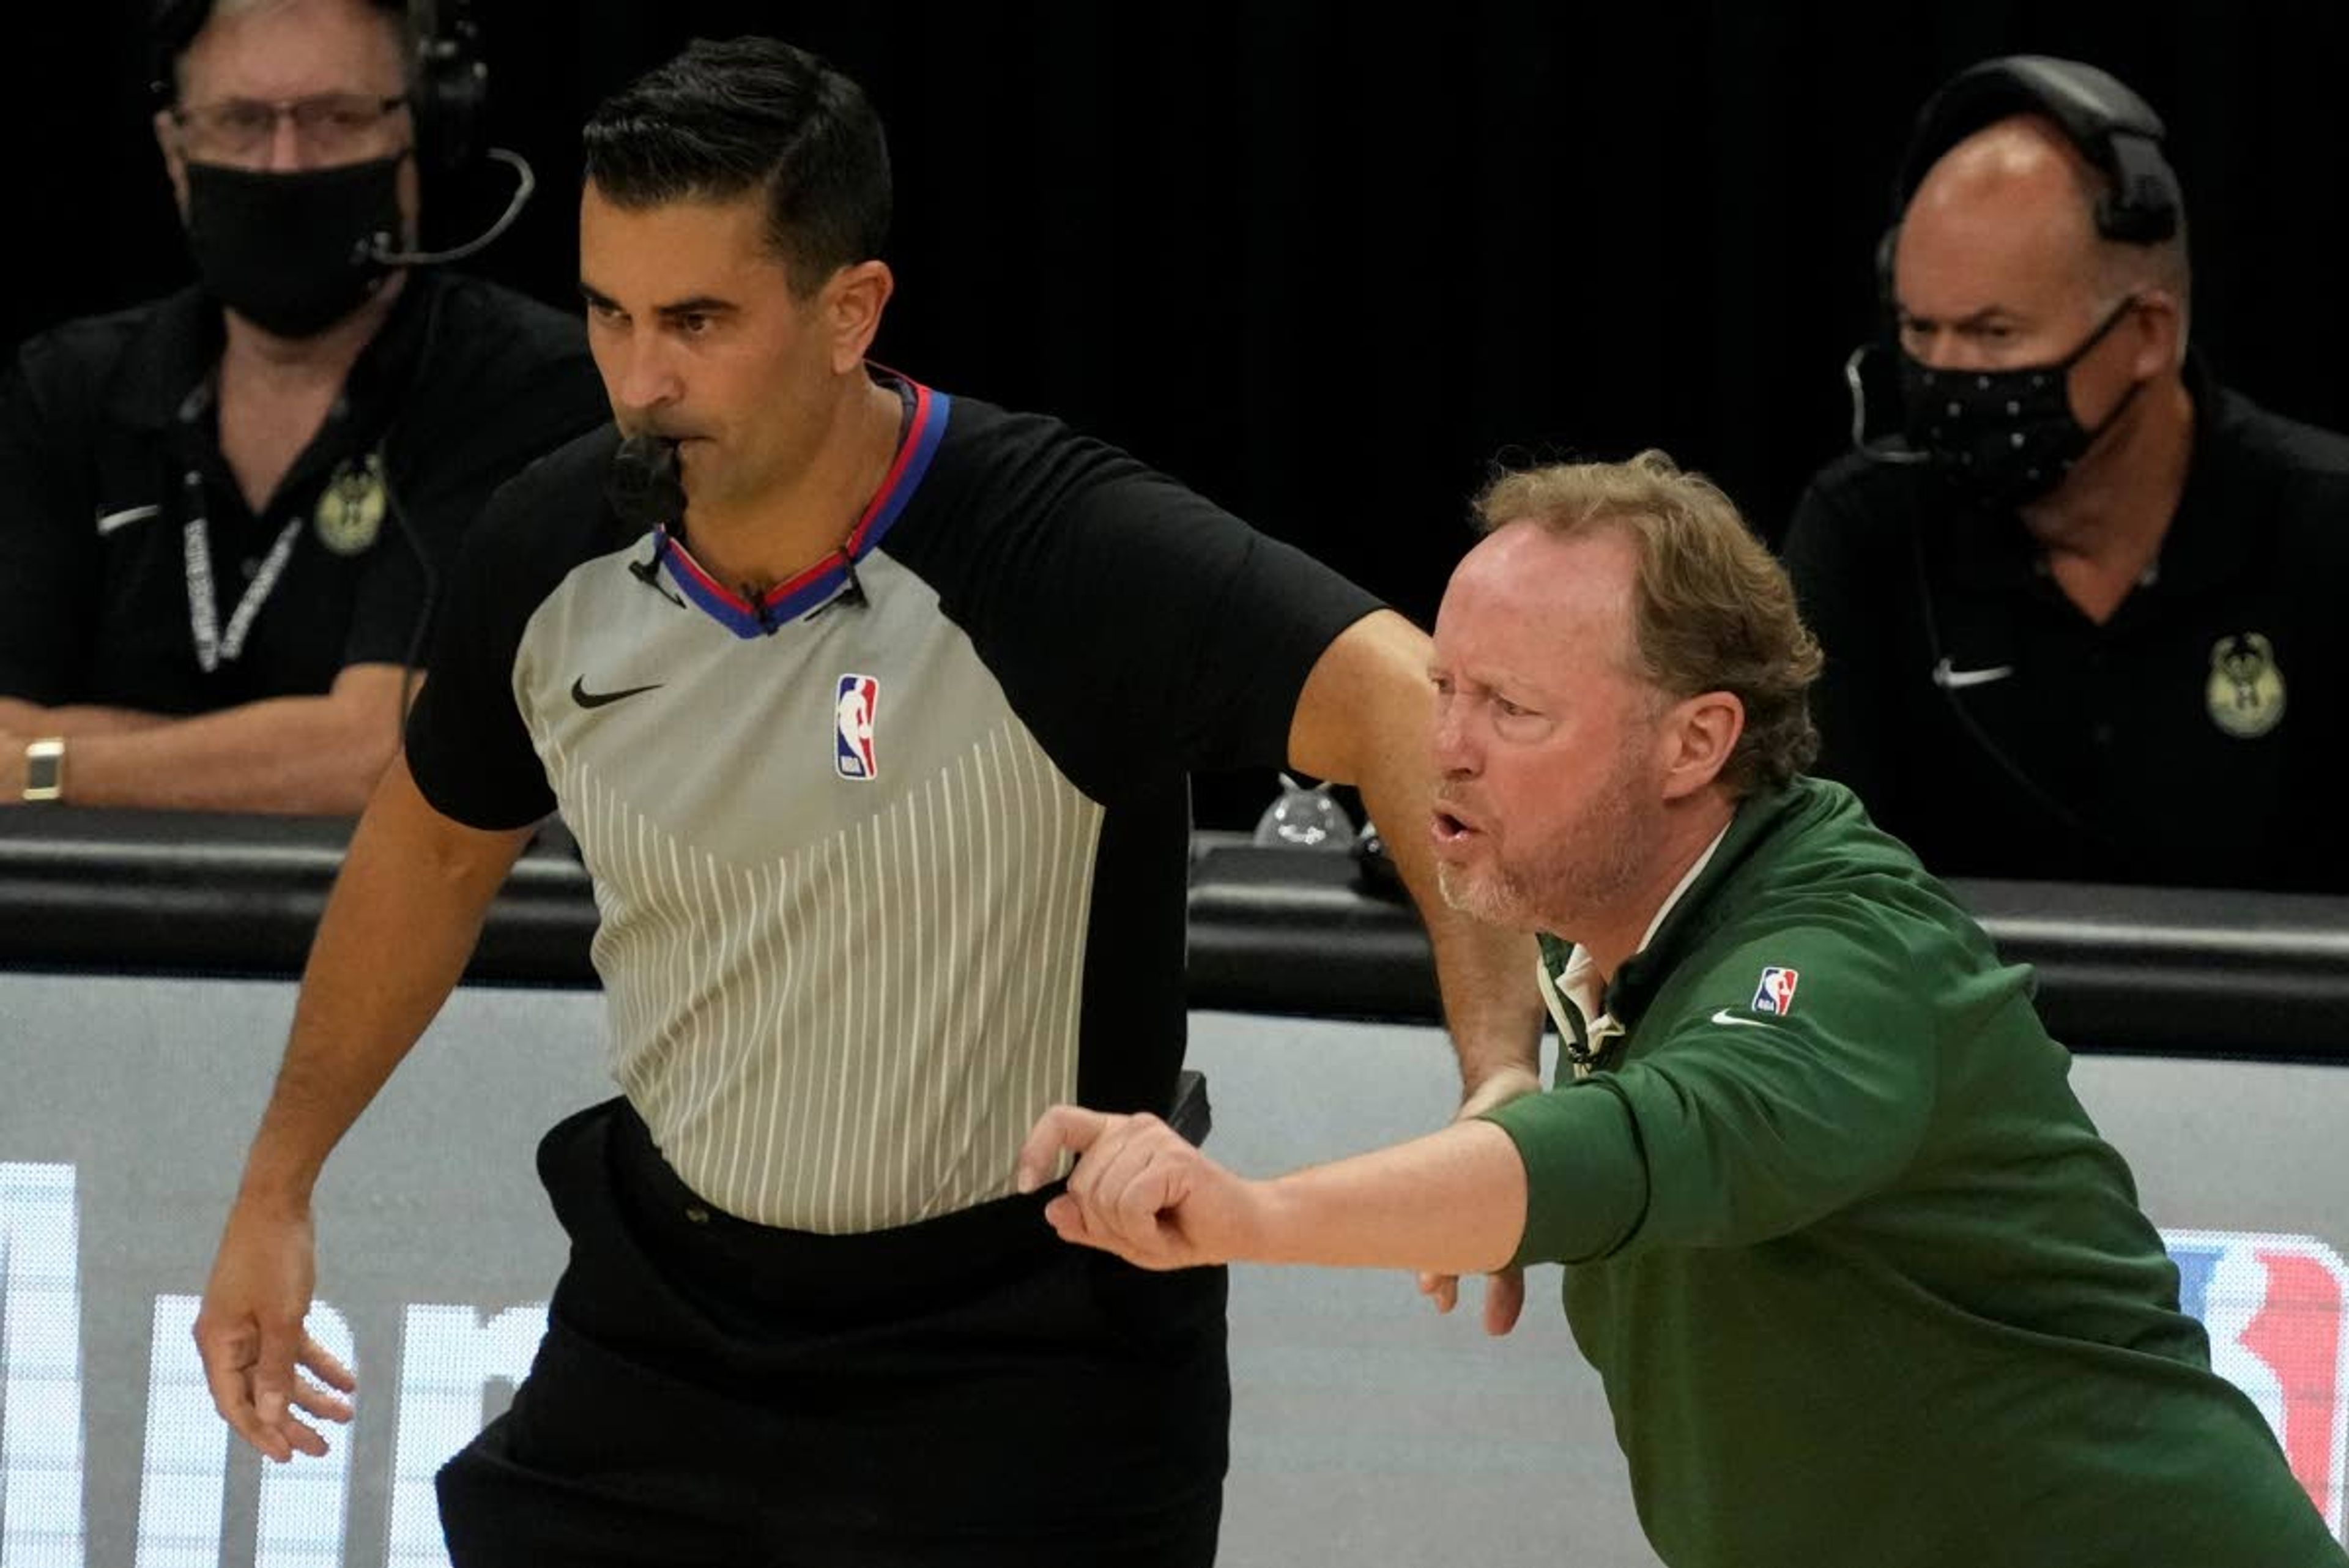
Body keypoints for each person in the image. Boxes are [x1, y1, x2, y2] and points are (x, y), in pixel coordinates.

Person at [190, 34, 1543, 1568]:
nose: (642, 380)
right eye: (610, 313)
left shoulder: (1057, 549)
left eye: (699, 321)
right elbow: (429, 853)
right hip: (669, 1331)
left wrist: (1498, 1075)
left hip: (1030, 1351)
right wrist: (276, 1186)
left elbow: (1416, 711)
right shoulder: (547, 550)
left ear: (852, 311)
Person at [1022, 451, 2348, 1568]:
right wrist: (1498, 1083)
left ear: (1696, 743)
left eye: (1513, 708)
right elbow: (1495, 940)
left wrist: (1254, 1214)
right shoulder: (1593, 907)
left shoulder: (1841, 957)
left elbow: (1653, 1143)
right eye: (1447, 690)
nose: (1449, 745)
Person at [0, 0, 606, 812]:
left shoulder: (525, 382)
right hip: (66, 925)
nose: (286, 165)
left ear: (422, 131)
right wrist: (283, 752)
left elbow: (387, 753)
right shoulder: (65, 387)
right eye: (242, 121)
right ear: (175, 153)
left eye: (337, 117)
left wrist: (50, 767)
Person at [1779, 56, 2349, 891]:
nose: (1942, 374)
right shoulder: (1862, 533)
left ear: (2149, 334)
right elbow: (1809, 899)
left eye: (1994, 335)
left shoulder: (2324, 530)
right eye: (1919, 329)